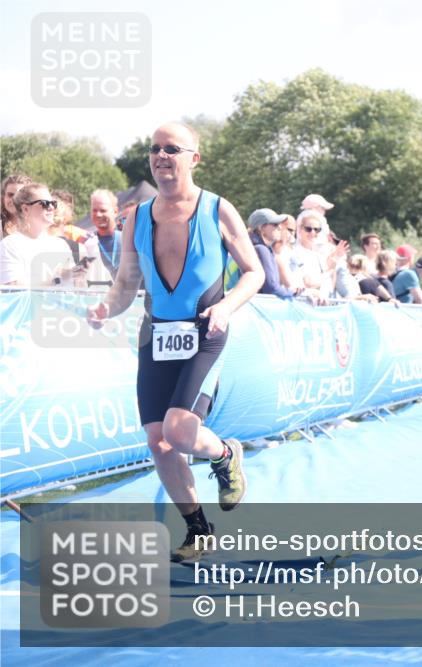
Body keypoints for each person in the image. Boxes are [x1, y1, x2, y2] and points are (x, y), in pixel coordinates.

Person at [85, 122, 265, 562]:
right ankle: (198, 529)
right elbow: (126, 281)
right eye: (155, 149)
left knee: (180, 431)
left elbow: (254, 272)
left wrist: (226, 307)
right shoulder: (137, 218)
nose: (161, 156)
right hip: (156, 335)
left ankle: (224, 454)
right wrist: (108, 307)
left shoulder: (219, 210)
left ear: (193, 158)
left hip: (206, 331)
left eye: (172, 149)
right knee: (157, 441)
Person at [0, 182, 82, 286]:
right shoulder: (9, 246)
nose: (51, 208)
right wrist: (56, 279)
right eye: (44, 203)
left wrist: (80, 277)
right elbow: (12, 291)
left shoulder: (61, 245)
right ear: (25, 209)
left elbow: (76, 290)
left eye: (53, 203)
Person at [247, 208, 303, 299]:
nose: (280, 228)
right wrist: (292, 293)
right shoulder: (261, 249)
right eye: (275, 224)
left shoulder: (253, 247)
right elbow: (271, 288)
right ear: (261, 228)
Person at [86, 189, 122, 285]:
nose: (98, 214)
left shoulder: (130, 240)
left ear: (115, 211)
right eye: (94, 210)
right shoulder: (87, 242)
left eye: (103, 210)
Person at [1, 174, 32, 239]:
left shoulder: (39, 225)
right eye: (10, 195)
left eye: (20, 195)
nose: (14, 199)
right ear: (3, 198)